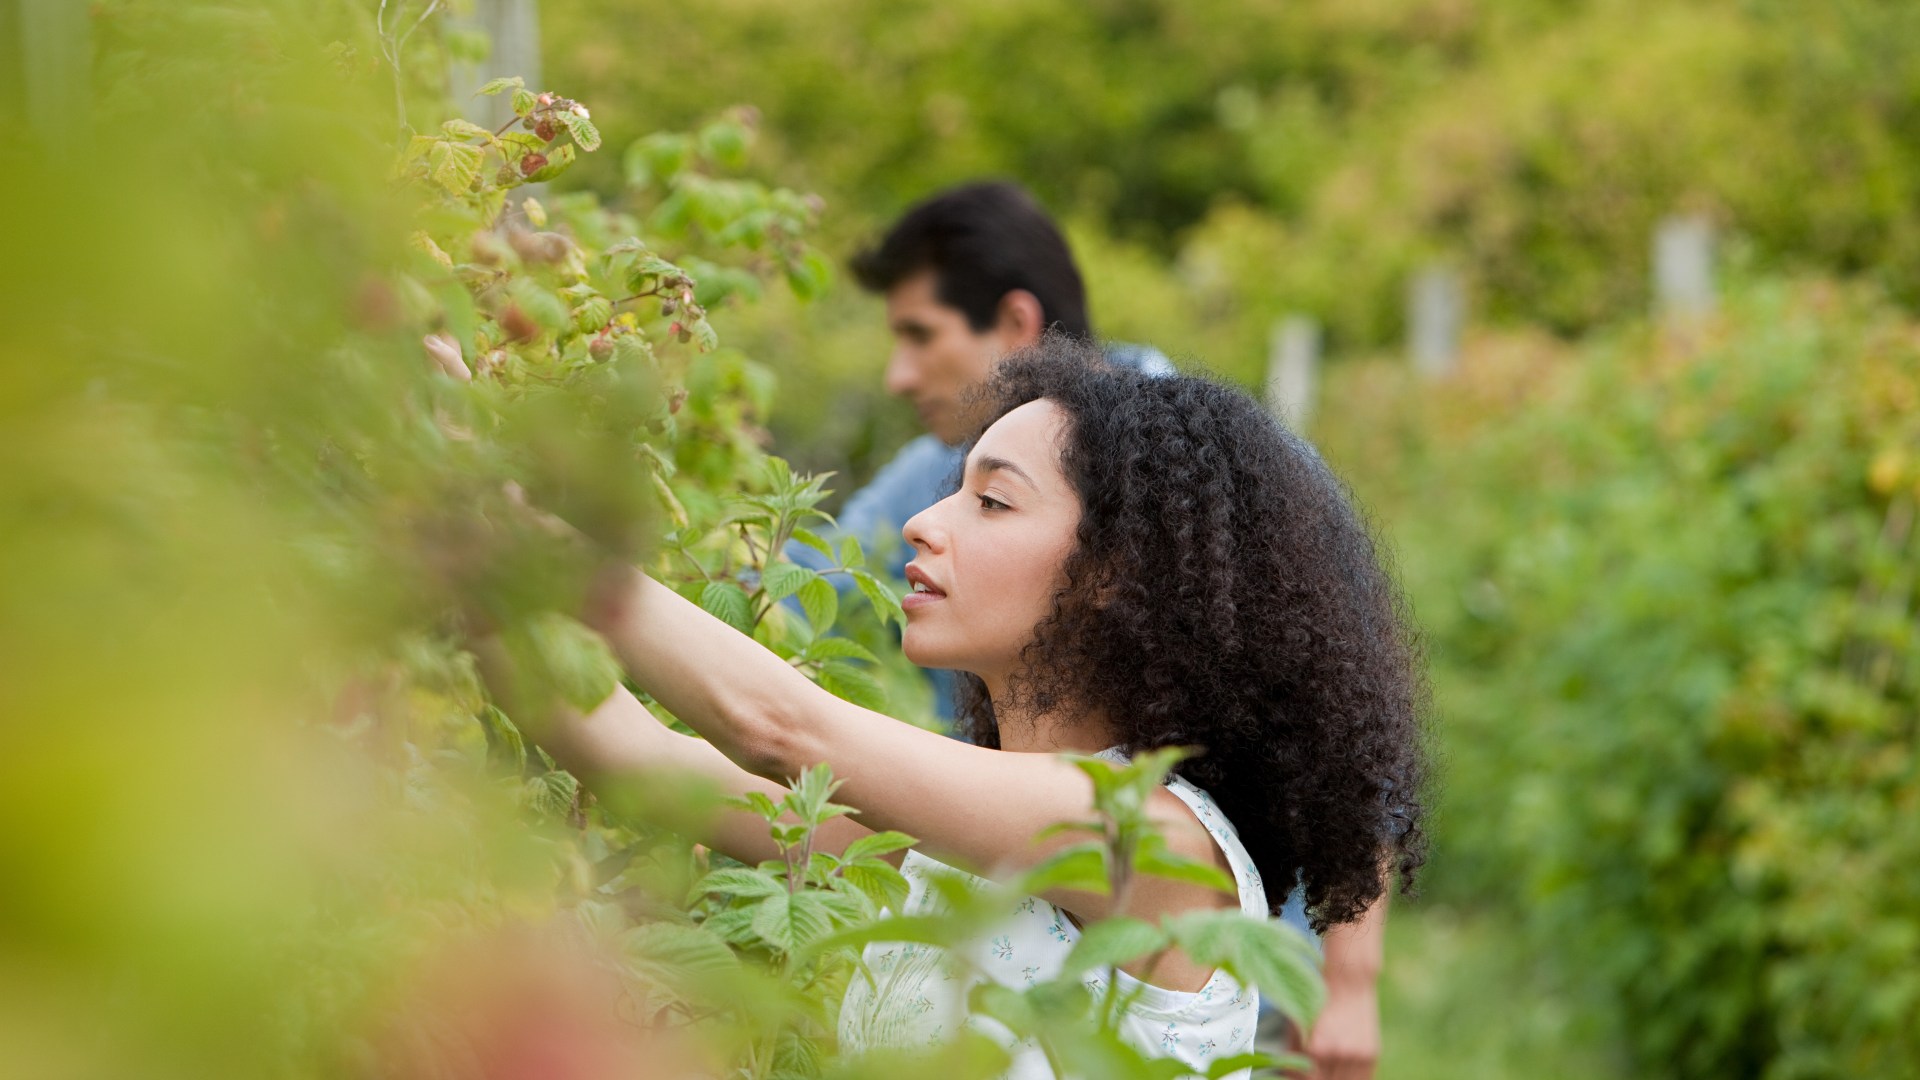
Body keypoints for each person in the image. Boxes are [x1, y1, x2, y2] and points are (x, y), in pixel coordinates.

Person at [529, 339, 1430, 1077]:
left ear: (1112, 576)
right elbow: (635, 760)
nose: (925, 521)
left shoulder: (1144, 836)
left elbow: (779, 726)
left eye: (992, 501)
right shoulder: (959, 835)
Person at [782, 181, 1171, 724]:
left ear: (1015, 324)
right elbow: (798, 584)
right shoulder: (933, 471)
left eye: (921, 335)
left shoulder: (1209, 481)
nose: (899, 377)